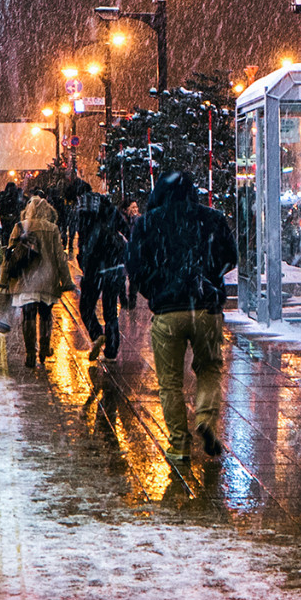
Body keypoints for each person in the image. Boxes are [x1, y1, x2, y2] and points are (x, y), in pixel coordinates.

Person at [126, 171, 237, 464]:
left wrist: (156, 290)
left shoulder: (147, 223)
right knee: (210, 368)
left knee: (170, 382)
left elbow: (134, 266)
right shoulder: (211, 218)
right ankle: (206, 419)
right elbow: (231, 257)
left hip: (167, 311)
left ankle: (179, 444)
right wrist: (209, 277)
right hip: (206, 307)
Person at [4, 198, 69, 367]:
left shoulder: (19, 226)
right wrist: (66, 280)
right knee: (46, 315)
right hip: (48, 279)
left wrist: (4, 280)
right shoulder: (52, 228)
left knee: (29, 316)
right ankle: (45, 348)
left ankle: (30, 353)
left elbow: (9, 256)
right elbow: (60, 258)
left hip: (26, 280)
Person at [77, 190, 133, 362]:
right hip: (115, 265)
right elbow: (127, 232)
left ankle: (96, 334)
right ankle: (112, 350)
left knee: (86, 307)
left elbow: (83, 242)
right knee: (110, 310)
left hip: (95, 268)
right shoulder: (112, 211)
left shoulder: (85, 213)